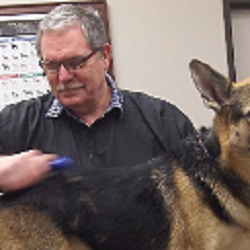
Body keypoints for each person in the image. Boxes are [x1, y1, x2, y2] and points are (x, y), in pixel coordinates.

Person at [0, 4, 195, 193]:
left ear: (105, 56)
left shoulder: (163, 122)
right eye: (52, 66)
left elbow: (209, 197)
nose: (63, 77)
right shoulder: (17, 123)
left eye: (75, 62)